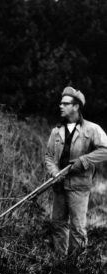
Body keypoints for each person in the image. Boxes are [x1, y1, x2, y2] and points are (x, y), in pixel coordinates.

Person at [45, 86, 107, 258]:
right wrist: (54, 172)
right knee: (58, 225)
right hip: (59, 185)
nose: (61, 106)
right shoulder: (56, 131)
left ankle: (76, 268)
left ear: (76, 106)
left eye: (65, 104)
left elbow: (105, 150)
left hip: (79, 186)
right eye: (61, 103)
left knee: (78, 229)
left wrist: (84, 161)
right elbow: (49, 156)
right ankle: (60, 267)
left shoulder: (92, 129)